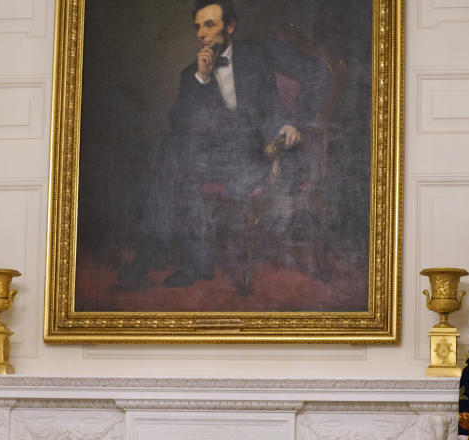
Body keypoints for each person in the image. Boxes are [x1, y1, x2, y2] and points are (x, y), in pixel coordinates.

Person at [119, 0, 326, 290]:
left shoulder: (261, 52)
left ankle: (154, 251)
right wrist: (202, 79)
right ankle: (193, 263)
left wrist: (297, 123)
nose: (202, 34)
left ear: (230, 26)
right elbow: (179, 124)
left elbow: (318, 71)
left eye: (210, 24)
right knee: (173, 148)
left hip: (268, 152)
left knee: (175, 154)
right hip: (224, 156)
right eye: (198, 27)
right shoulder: (192, 73)